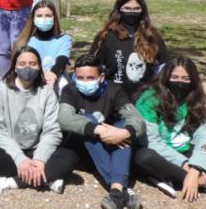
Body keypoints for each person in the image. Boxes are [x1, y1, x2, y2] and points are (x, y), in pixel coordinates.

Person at [134, 57, 206, 203]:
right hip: (158, 153)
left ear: (193, 80)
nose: (179, 82)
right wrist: (185, 164)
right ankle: (205, 183)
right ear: (166, 77)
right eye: (175, 77)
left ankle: (171, 177)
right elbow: (152, 141)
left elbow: (205, 138)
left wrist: (195, 167)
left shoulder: (195, 99)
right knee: (143, 157)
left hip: (184, 151)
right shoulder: (149, 99)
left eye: (185, 78)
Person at [0, 46, 78, 194]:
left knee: (70, 157)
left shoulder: (47, 93)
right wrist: (20, 158)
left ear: (39, 67)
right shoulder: (0, 89)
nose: (27, 67)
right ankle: (46, 178)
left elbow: (52, 130)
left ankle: (10, 182)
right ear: (14, 67)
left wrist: (39, 160)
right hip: (10, 151)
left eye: (33, 63)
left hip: (36, 150)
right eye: (22, 63)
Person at [58, 54, 145, 209]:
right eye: (80, 78)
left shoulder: (114, 90)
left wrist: (125, 133)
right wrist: (97, 128)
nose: (84, 82)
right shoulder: (70, 90)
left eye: (90, 78)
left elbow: (136, 118)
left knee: (122, 125)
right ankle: (124, 189)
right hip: (80, 147)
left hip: (109, 145)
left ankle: (116, 191)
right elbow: (64, 118)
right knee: (89, 122)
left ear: (101, 77)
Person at [90, 0, 168, 100]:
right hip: (113, 98)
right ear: (119, 10)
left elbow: (163, 68)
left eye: (136, 8)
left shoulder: (153, 37)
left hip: (144, 99)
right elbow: (93, 66)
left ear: (142, 11)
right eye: (127, 8)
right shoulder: (106, 37)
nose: (132, 12)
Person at [14, 0, 73, 94]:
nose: (44, 19)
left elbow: (62, 59)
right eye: (39, 16)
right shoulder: (26, 41)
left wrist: (53, 74)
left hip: (56, 76)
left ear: (54, 18)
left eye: (48, 16)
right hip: (32, 77)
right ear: (33, 18)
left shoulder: (65, 39)